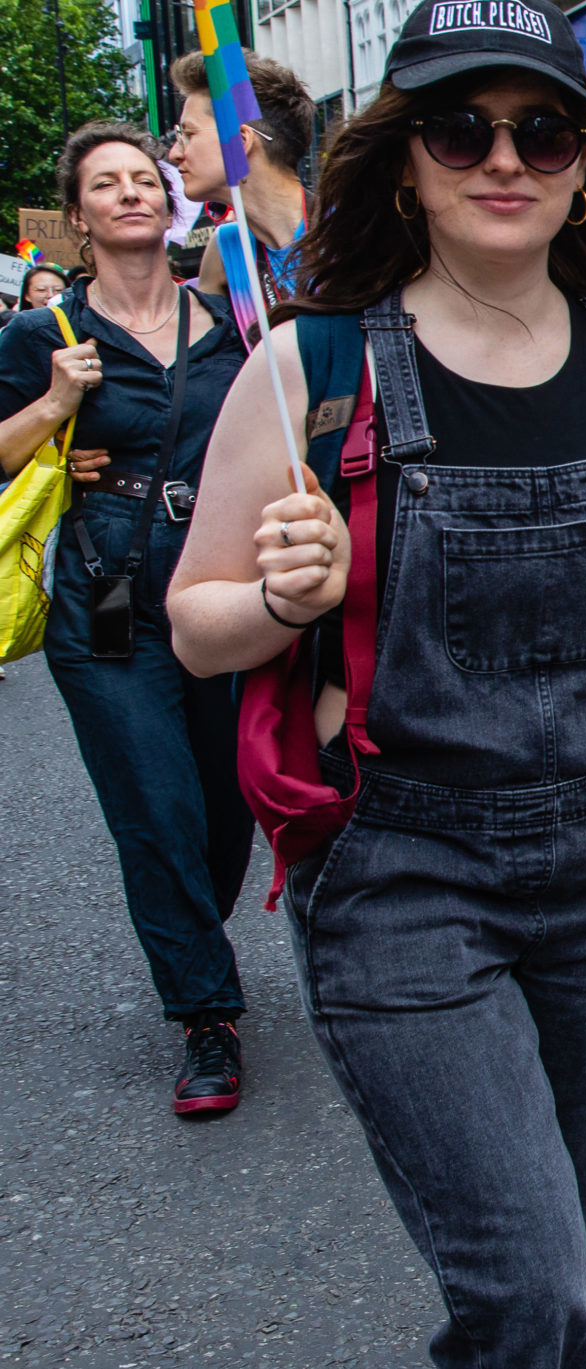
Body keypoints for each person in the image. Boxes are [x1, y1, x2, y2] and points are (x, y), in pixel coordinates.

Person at [166, 0, 586, 1357]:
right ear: (405, 159)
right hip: (406, 873)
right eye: (460, 129)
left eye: (542, 131)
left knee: (575, 1280)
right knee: (532, 1296)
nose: (504, 160)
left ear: (582, 169)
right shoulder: (312, 363)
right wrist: (279, 599)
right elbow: (196, 627)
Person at [0, 123, 254, 1117]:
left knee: (226, 803)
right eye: (106, 184)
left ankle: (193, 927)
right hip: (108, 584)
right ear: (79, 216)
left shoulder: (230, 317)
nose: (132, 192)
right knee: (155, 801)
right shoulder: (46, 334)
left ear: (170, 200)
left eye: (145, 178)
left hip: (219, 577)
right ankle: (205, 1014)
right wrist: (55, 406)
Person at [165, 48, 315, 333]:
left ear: (240, 141)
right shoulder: (225, 250)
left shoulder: (348, 230)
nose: (175, 153)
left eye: (188, 134)